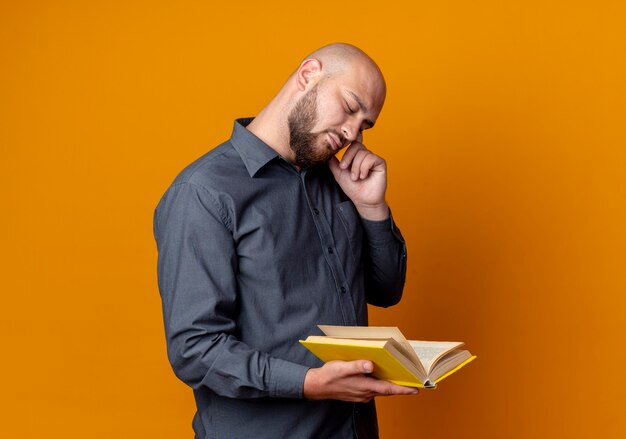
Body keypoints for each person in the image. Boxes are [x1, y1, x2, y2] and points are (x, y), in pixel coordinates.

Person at [153, 43, 414, 439]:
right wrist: (308, 382)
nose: (351, 132)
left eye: (364, 125)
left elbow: (385, 289)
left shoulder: (341, 181)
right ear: (308, 75)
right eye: (349, 106)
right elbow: (194, 348)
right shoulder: (204, 192)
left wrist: (372, 208)